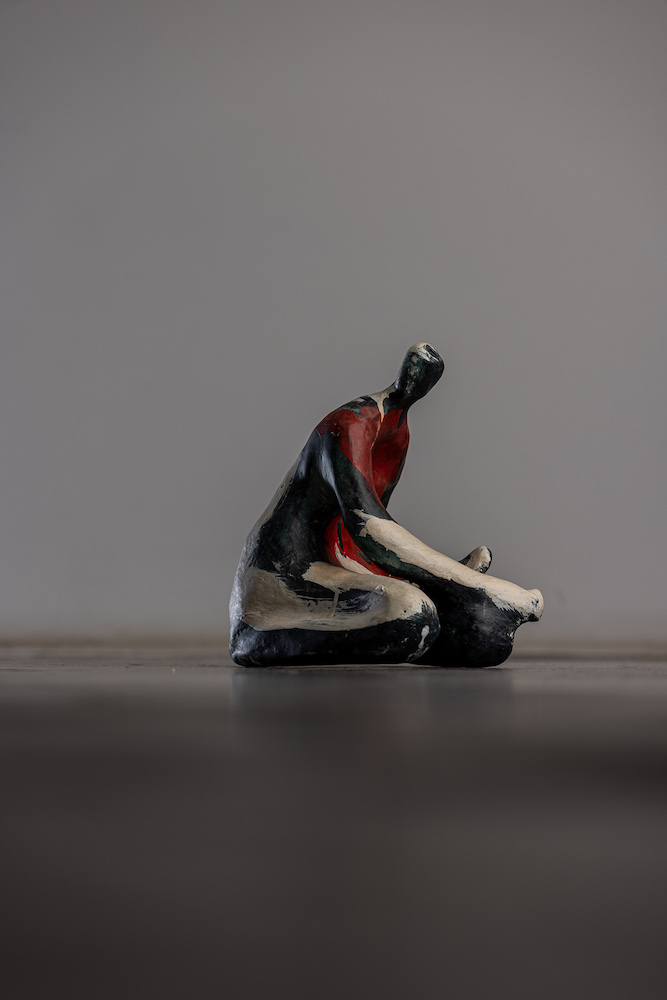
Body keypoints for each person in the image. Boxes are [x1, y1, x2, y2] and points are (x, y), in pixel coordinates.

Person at [230, 343, 543, 667]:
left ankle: (428, 617)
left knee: (481, 632)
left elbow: (355, 542)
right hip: (280, 576)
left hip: (332, 565)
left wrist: (447, 582)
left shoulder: (396, 433)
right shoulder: (349, 423)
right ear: (405, 368)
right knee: (411, 611)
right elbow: (370, 528)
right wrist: (477, 584)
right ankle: (256, 636)